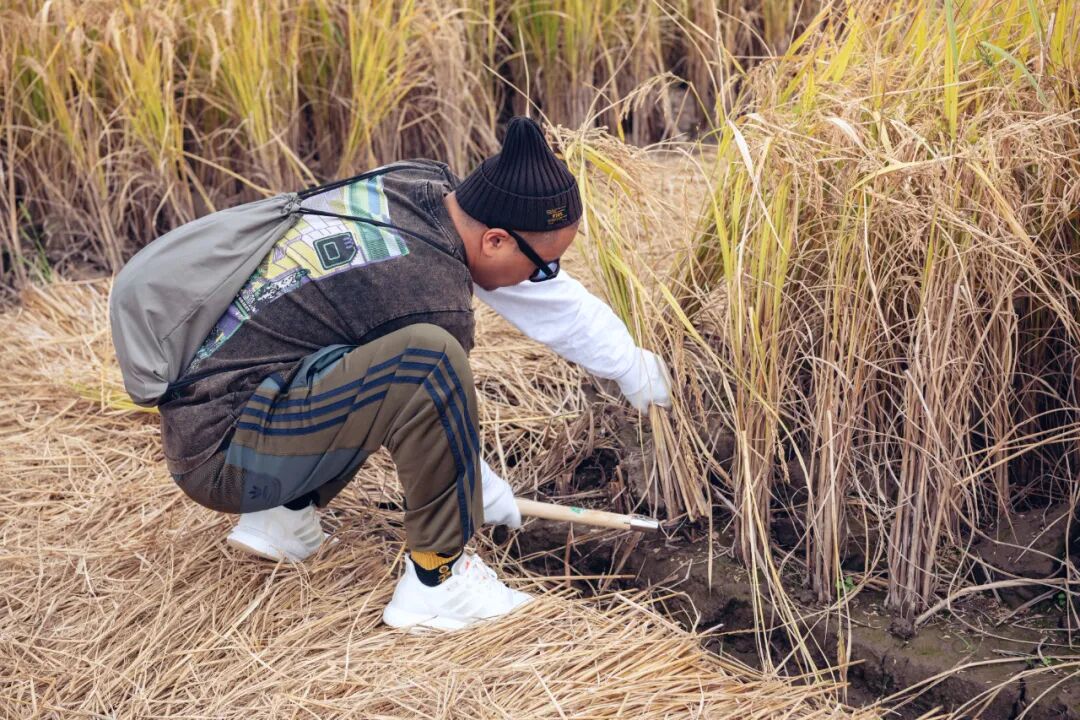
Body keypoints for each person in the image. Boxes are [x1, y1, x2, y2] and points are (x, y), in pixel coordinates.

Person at [158, 116, 672, 631]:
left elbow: (539, 297)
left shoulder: (418, 189)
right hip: (227, 461)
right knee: (428, 359)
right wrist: (474, 488)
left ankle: (284, 514)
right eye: (544, 265)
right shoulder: (428, 294)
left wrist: (629, 364)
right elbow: (434, 408)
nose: (545, 277)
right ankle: (437, 582)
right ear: (494, 240)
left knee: (363, 348)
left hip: (224, 411)